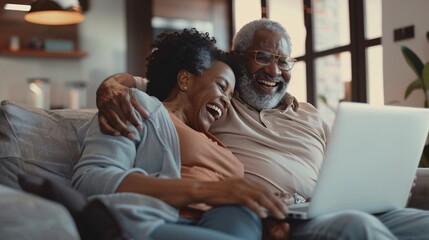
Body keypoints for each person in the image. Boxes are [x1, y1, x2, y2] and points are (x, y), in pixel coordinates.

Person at [95, 19, 429, 239]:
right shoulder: (214, 100)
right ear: (237, 59)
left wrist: (387, 177)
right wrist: (112, 87)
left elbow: (343, 170)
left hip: (327, 206)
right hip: (285, 217)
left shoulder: (310, 114)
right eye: (263, 56)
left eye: (284, 62)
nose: (274, 70)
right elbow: (155, 87)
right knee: (360, 228)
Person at [71, 28, 288, 240]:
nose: (226, 102)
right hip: (162, 221)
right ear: (185, 80)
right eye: (221, 87)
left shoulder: (215, 139)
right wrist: (203, 190)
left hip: (227, 220)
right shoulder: (137, 106)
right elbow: (90, 179)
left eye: (230, 97)